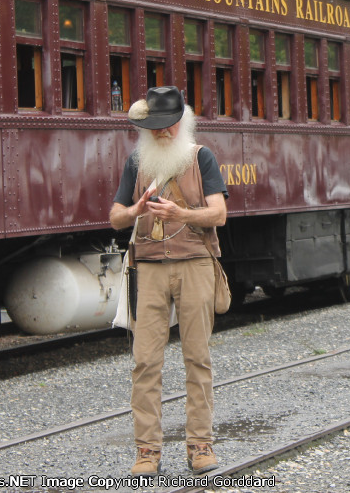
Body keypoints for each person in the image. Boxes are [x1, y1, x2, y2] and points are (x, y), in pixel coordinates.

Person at [109, 85, 228, 476]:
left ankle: (200, 445)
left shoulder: (202, 158)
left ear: (182, 122)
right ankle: (147, 451)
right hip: (150, 267)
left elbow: (219, 215)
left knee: (197, 357)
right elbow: (114, 218)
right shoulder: (135, 163)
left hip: (195, 263)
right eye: (156, 126)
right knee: (145, 361)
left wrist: (181, 214)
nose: (162, 133)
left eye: (169, 126)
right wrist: (135, 210)